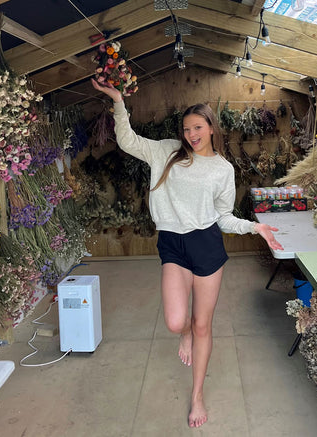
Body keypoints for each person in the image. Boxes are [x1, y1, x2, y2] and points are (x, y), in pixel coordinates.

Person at [91, 78, 283, 428]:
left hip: (206, 244)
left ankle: (197, 396)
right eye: (186, 128)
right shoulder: (165, 151)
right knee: (178, 321)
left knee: (203, 324)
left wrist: (254, 227)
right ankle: (184, 335)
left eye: (198, 127)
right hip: (172, 244)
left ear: (211, 128)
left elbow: (223, 217)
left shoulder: (223, 169)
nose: (191, 134)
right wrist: (118, 101)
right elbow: (127, 140)